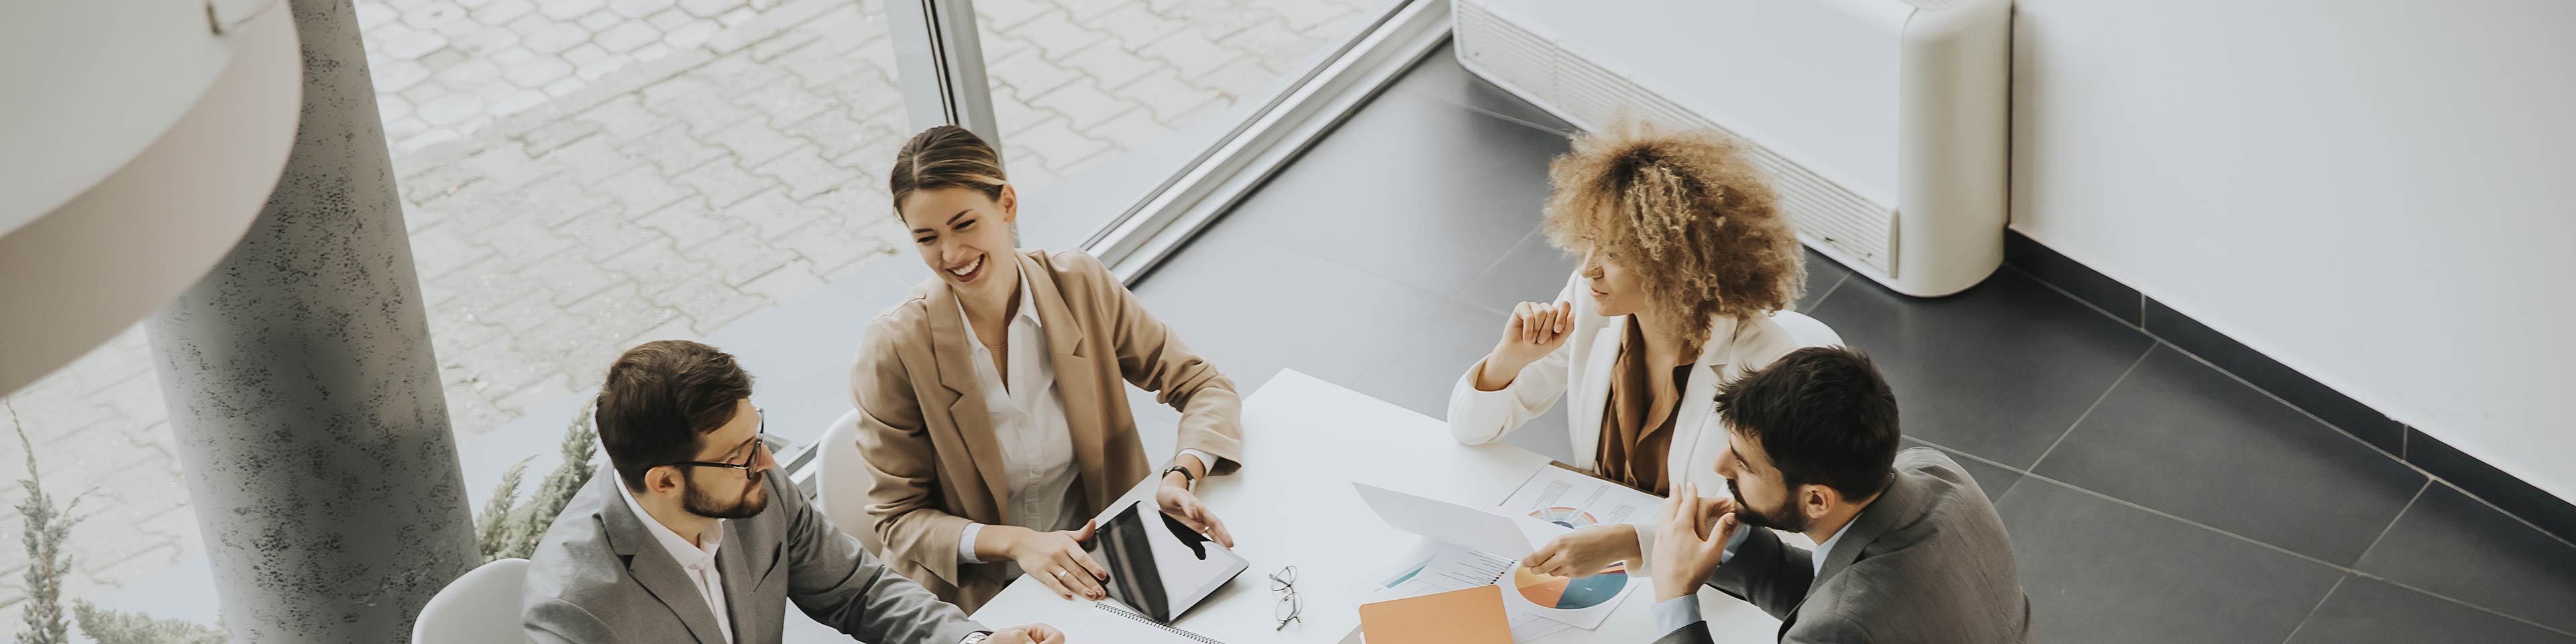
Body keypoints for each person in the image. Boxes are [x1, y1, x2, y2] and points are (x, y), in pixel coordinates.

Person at [849, 125, 1246, 612]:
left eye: (965, 224)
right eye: (927, 238)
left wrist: (1180, 474)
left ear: (1007, 205)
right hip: (975, 596)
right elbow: (898, 519)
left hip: (1102, 566)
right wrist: (1017, 543)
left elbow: (1203, 384)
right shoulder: (895, 346)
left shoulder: (1078, 284)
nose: (950, 255)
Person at [522, 340, 1065, 643]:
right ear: (664, 481)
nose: (768, 462)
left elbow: (859, 591)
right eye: (739, 456)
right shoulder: (575, 610)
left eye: (755, 436)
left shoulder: (755, 487)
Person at [1450, 121, 1809, 580]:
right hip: (1595, 556)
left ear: (1677, 261)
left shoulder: (1764, 365)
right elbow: (1470, 429)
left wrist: (1630, 543)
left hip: (1698, 576)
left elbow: (1767, 523)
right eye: (1590, 242)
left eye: (1614, 253)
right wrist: (1509, 360)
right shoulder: (1591, 307)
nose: (1587, 270)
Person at [1644, 347, 2031, 643]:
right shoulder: (1937, 472)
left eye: (1744, 464)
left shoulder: (1839, 629)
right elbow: (1839, 592)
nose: (1720, 466)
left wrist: (1674, 597)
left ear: (1817, 500)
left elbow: (1847, 616)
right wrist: (1735, 539)